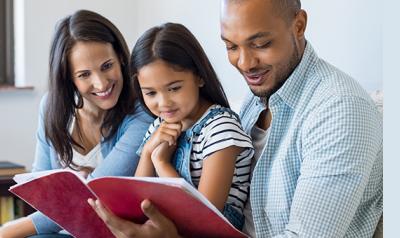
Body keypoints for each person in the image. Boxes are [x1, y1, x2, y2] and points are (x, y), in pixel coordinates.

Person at [90, 0, 383, 237]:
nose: (243, 63)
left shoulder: (339, 109)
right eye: (231, 46)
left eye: (260, 44)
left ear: (299, 25)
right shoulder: (256, 99)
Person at [0, 9, 153, 237]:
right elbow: (41, 189)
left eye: (106, 66)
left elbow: (90, 200)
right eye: (84, 75)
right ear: (68, 78)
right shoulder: (52, 107)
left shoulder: (142, 116)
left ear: (121, 57)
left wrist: (9, 230)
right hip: (60, 230)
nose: (101, 83)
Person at [132, 22, 253, 229]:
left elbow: (205, 215)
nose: (163, 103)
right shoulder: (158, 127)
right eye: (151, 93)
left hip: (214, 228)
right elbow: (136, 204)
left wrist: (161, 163)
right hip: (172, 222)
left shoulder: (220, 128)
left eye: (174, 88)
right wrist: (147, 153)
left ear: (199, 76)